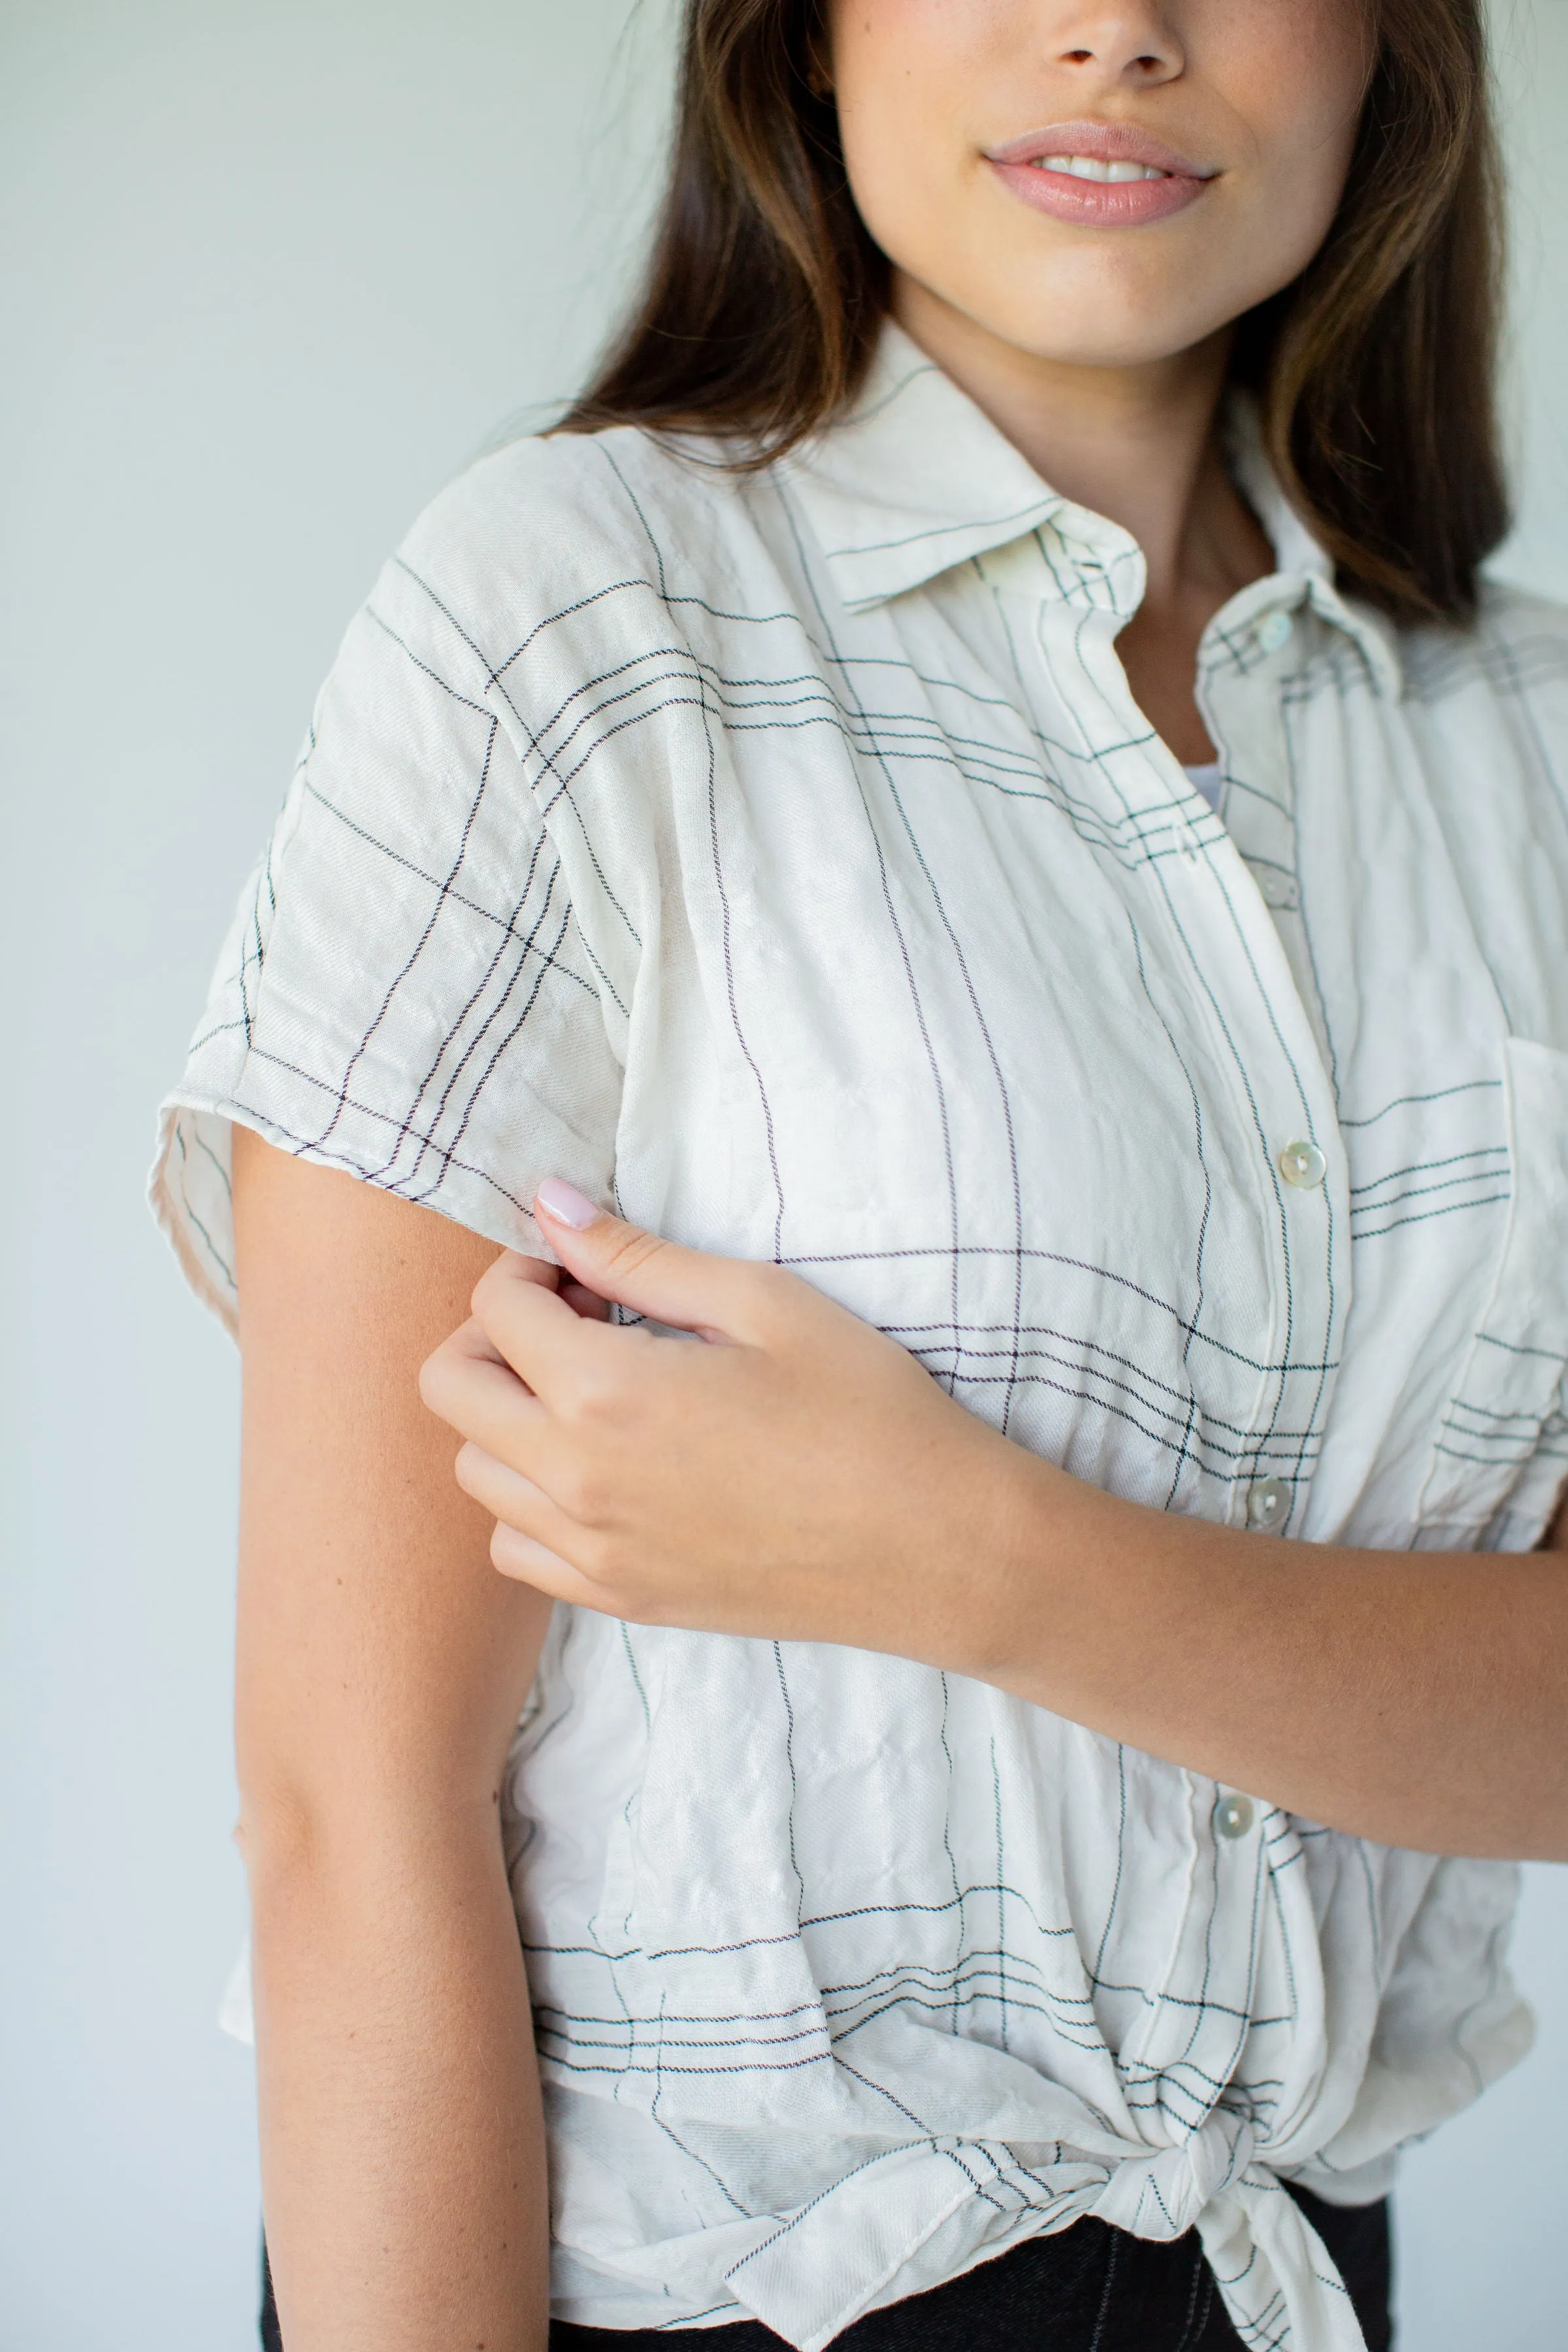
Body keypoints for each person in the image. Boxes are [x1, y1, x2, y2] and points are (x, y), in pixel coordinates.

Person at [150, 2, 1567, 2347]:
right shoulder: (567, 620)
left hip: (1294, 2281)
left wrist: (973, 1559)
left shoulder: (1530, 757)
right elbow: (349, 1813)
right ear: (800, 34)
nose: (1119, 27)